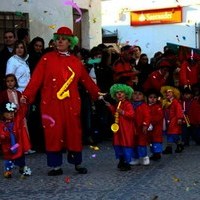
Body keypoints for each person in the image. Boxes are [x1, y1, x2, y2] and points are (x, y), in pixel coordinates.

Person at [21, 26, 104, 176]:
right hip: (51, 104)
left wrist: (97, 93)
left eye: (64, 39)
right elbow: (35, 80)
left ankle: (77, 163)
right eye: (58, 39)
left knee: (73, 132)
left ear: (70, 43)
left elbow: (86, 80)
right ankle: (55, 166)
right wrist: (26, 95)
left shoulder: (75, 62)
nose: (60, 41)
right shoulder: (46, 59)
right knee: (53, 133)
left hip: (71, 103)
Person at [106, 83, 135, 171]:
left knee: (126, 143)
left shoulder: (128, 104)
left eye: (121, 92)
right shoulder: (117, 103)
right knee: (118, 143)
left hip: (126, 129)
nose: (119, 94)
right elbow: (115, 113)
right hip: (118, 128)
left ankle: (127, 162)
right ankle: (121, 160)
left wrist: (122, 112)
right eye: (117, 93)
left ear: (126, 94)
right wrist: (110, 106)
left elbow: (131, 115)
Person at [0, 101, 32, 178]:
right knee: (8, 158)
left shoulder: (17, 120)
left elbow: (22, 112)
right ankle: (8, 170)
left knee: (19, 155)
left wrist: (23, 103)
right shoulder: (1, 123)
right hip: (7, 144)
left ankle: (22, 167)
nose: (11, 114)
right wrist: (3, 135)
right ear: (3, 114)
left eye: (12, 112)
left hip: (16, 143)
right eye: (8, 112)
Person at [130, 86, 151, 166]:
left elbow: (147, 116)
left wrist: (145, 124)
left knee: (141, 143)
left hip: (141, 128)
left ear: (143, 96)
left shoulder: (144, 106)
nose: (137, 96)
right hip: (132, 128)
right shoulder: (130, 105)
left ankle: (144, 157)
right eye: (135, 94)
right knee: (133, 144)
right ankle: (135, 158)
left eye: (140, 94)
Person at [161, 86, 184, 154]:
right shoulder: (165, 102)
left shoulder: (176, 102)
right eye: (166, 92)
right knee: (169, 134)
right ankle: (173, 147)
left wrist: (179, 118)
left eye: (169, 92)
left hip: (174, 120)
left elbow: (179, 110)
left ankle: (175, 146)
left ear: (174, 93)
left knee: (173, 134)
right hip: (167, 121)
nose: (167, 93)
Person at [146, 89, 163, 161]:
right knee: (151, 141)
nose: (152, 99)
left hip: (156, 127)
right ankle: (154, 153)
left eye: (154, 97)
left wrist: (152, 123)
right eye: (150, 97)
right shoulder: (146, 106)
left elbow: (158, 117)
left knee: (156, 140)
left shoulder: (157, 107)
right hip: (149, 127)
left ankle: (157, 153)